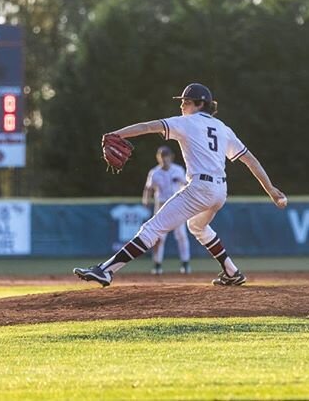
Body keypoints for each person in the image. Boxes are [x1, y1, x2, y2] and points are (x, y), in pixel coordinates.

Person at [74, 83, 287, 286]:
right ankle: (232, 272)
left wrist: (116, 134)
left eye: (186, 101)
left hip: (200, 189)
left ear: (200, 103)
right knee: (196, 226)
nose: (181, 105)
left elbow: (149, 126)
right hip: (220, 191)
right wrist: (270, 189)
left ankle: (106, 270)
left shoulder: (186, 122)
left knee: (152, 228)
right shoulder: (223, 128)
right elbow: (249, 159)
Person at [142, 145, 190, 275]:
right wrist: (146, 200)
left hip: (177, 205)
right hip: (162, 206)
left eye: (166, 156)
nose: (164, 159)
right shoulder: (154, 172)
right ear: (158, 158)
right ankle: (157, 265)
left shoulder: (178, 170)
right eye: (162, 156)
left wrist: (183, 182)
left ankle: (185, 264)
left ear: (171, 157)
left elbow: (188, 185)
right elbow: (148, 188)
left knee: (181, 235)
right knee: (159, 237)